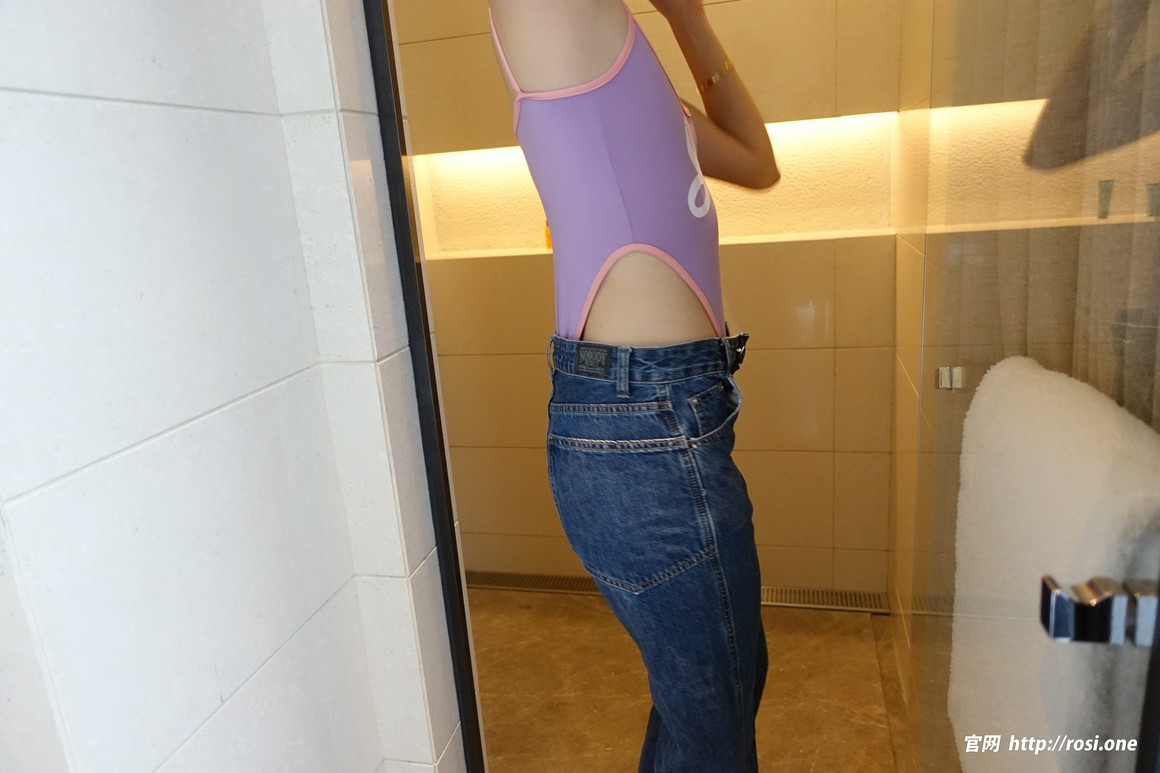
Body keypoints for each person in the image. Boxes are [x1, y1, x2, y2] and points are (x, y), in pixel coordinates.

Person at [486, 0, 779, 769]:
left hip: (668, 418)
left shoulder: (627, 64)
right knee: (714, 728)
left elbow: (758, 163)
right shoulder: (559, 21)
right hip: (641, 423)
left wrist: (689, 21)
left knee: (720, 698)